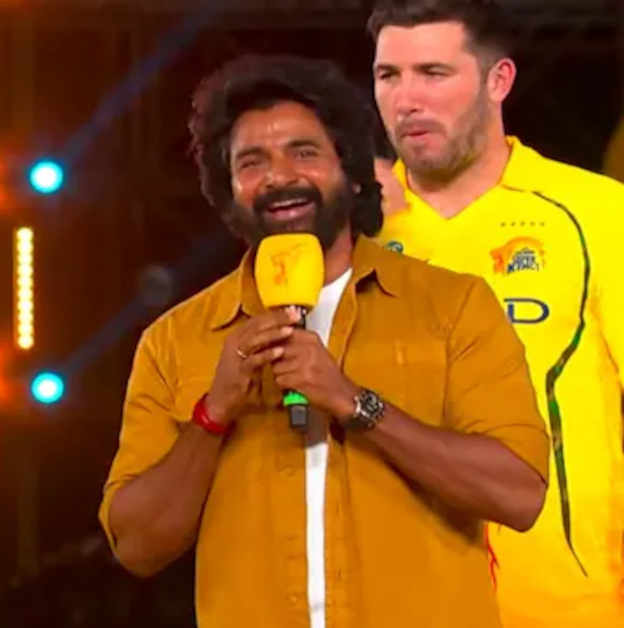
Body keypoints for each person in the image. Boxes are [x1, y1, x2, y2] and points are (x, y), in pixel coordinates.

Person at [98, 54, 549, 628]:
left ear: (353, 172)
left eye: (304, 152)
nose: (279, 176)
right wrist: (213, 414)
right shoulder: (176, 339)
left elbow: (519, 495)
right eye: (251, 162)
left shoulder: (452, 307)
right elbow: (136, 546)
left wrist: (355, 404)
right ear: (228, 190)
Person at [368, 1, 624, 624]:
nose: (407, 100)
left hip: (569, 606)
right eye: (388, 76)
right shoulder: (351, 230)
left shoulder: (598, 213)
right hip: (394, 602)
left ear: (498, 80)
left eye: (433, 73)